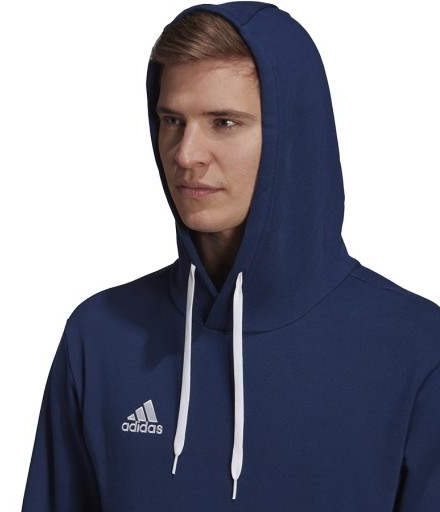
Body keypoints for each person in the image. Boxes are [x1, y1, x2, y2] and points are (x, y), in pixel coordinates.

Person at [22, 2, 440, 510]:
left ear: (294, 136)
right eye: (172, 120)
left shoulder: (416, 348)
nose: (185, 154)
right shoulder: (100, 336)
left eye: (223, 122)